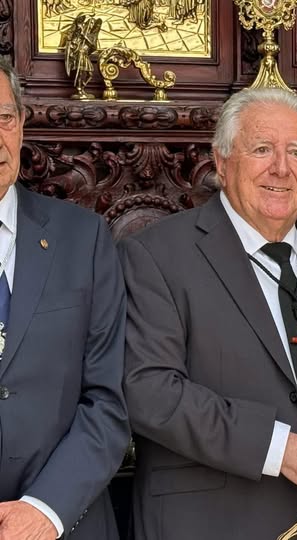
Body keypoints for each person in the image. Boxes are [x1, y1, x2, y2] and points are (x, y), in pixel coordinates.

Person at [121, 87, 297, 540]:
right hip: (211, 524)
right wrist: (280, 448)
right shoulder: (156, 256)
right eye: (262, 149)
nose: (281, 168)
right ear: (222, 161)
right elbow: (149, 390)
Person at [0, 60, 129, 539]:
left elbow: (108, 400)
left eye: (4, 117)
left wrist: (44, 509)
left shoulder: (84, 238)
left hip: (64, 520)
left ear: (21, 123)